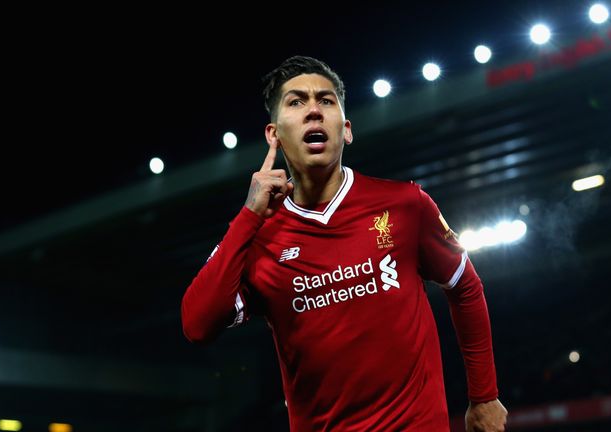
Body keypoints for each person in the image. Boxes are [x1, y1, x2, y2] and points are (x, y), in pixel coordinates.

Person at [181, 55, 507, 432]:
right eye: (296, 102)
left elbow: (465, 287)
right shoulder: (258, 239)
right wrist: (248, 217)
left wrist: (484, 396)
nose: (314, 111)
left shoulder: (405, 204)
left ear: (347, 129)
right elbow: (197, 325)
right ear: (274, 134)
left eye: (327, 100)